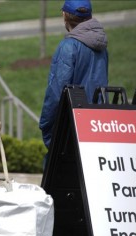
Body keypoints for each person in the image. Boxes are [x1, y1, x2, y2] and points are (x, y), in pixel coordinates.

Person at [39, 0, 108, 153]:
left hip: (70, 128)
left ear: (64, 15)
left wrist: (45, 125)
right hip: (97, 125)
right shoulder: (102, 48)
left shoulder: (68, 46)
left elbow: (57, 91)